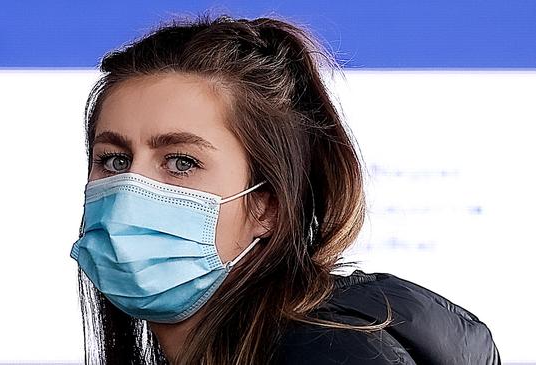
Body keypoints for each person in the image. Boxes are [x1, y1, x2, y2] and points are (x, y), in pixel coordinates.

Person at [68, 13, 500, 364]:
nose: (130, 190)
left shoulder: (329, 355)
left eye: (182, 162)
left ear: (267, 206)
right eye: (115, 160)